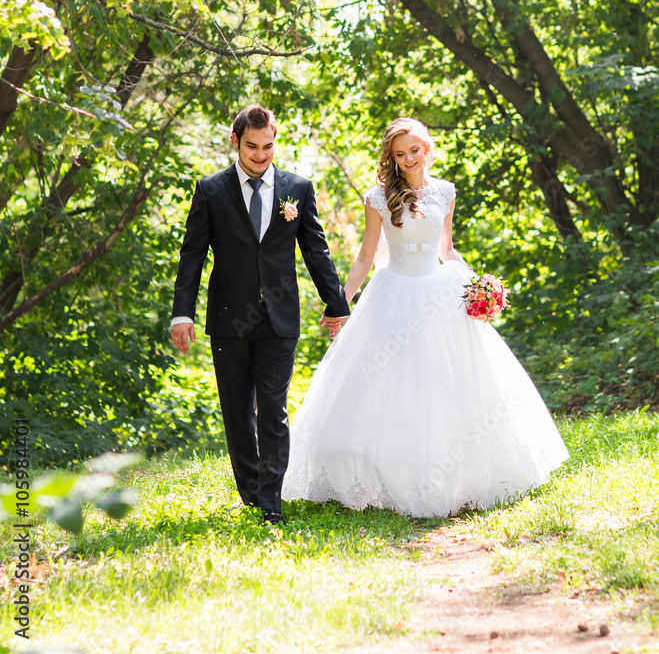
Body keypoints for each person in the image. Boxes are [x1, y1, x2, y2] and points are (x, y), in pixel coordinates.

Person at [282, 118, 568, 517]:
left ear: (427, 147)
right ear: (392, 158)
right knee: (389, 385)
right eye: (400, 154)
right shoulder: (378, 198)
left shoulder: (445, 192)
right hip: (393, 292)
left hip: (440, 292)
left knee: (448, 384)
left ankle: (456, 476)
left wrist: (478, 286)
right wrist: (340, 302)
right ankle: (384, 476)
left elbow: (446, 249)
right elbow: (365, 256)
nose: (408, 159)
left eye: (414, 150)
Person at [171, 104, 349, 524]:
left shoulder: (298, 189)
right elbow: (192, 255)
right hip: (229, 317)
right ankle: (250, 492)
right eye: (251, 146)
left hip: (279, 318)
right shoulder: (211, 190)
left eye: (267, 146)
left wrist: (336, 304)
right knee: (237, 410)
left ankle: (271, 500)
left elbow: (316, 250)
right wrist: (183, 314)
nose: (260, 154)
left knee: (272, 407)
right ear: (236, 142)